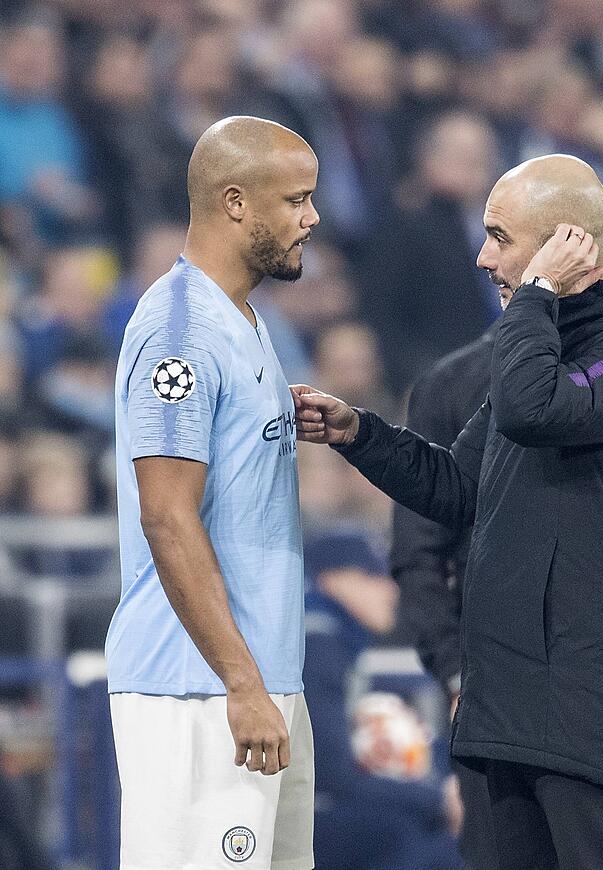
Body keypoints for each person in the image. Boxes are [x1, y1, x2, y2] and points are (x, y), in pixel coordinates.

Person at [292, 153, 603, 869]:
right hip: (503, 707)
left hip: (588, 708)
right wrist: (361, 434)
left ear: (565, 241)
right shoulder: (545, 342)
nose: (483, 256)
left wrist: (533, 296)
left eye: (500, 236)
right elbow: (458, 488)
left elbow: (535, 410)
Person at [390, 263, 603, 870]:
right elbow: (419, 551)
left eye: (499, 237)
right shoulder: (455, 383)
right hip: (494, 694)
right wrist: (455, 674)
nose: (483, 258)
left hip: (594, 687)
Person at [105, 116, 320, 870]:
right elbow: (166, 516)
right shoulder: (179, 334)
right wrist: (240, 681)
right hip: (196, 691)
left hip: (259, 682)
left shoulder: (245, 319)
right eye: (295, 199)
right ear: (235, 202)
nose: (313, 218)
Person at [303, 530, 462, 870]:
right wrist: (438, 799)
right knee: (439, 844)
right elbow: (332, 774)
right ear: (334, 579)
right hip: (310, 818)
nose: (391, 591)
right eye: (373, 576)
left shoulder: (334, 641)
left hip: (321, 810)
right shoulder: (316, 639)